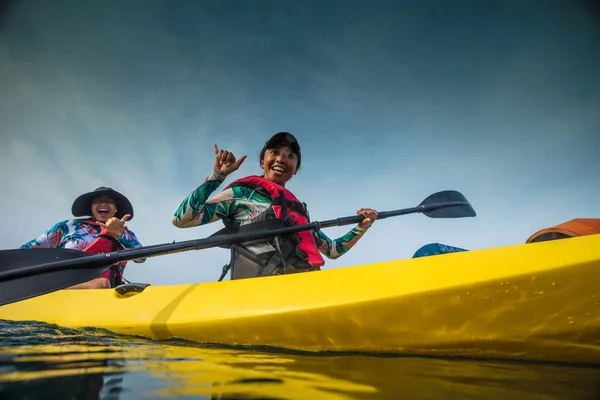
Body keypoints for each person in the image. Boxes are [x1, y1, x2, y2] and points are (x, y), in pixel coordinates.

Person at [172, 132, 379, 280]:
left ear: (295, 168)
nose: (281, 158)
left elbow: (333, 250)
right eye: (274, 152)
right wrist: (217, 176)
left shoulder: (296, 212)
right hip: (257, 293)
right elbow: (182, 219)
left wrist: (362, 226)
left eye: (290, 156)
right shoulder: (241, 194)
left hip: (303, 290)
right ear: (263, 161)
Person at [20, 186, 144, 289]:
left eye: (109, 201)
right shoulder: (67, 226)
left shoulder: (125, 234)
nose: (104, 203)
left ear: (116, 208)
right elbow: (27, 250)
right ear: (91, 207)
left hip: (106, 293)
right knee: (102, 284)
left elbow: (141, 258)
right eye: (98, 200)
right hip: (61, 286)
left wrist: (120, 234)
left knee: (142, 289)